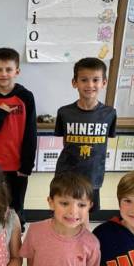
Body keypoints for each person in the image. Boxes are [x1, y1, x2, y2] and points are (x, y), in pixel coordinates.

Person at [0, 48, 37, 227]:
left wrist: (26, 165)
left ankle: (15, 248)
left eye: (8, 69)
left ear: (17, 71)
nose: (3, 74)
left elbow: (31, 133)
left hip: (17, 166)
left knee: (15, 208)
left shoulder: (25, 97)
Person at [54, 57, 117, 212]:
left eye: (95, 80)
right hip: (67, 174)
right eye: (84, 80)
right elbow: (65, 141)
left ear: (104, 82)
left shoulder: (110, 113)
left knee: (86, 214)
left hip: (93, 175)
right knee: (65, 211)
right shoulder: (64, 112)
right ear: (75, 82)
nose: (90, 85)